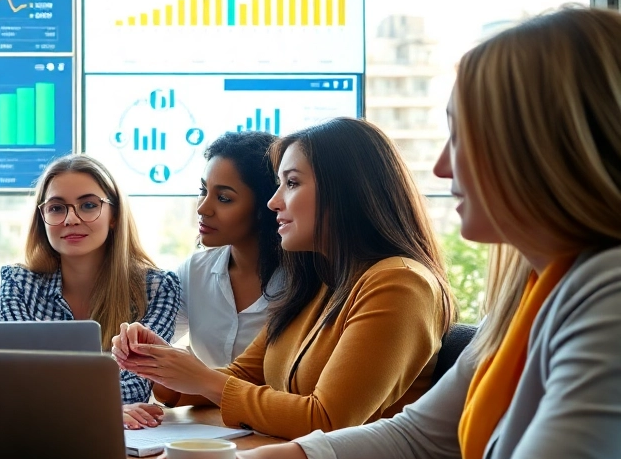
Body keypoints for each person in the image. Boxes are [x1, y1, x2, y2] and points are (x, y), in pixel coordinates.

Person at [145, 7, 621, 459]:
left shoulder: (610, 294)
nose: (444, 166)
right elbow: (418, 438)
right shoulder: (535, 289)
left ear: (545, 148)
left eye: (465, 136)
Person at [115, 118, 453, 440]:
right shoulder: (321, 281)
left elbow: (326, 419)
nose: (274, 202)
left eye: (290, 183)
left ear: (345, 191)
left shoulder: (400, 283)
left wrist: (202, 378)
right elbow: (243, 376)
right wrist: (159, 363)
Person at [0, 154, 182, 430]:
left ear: (114, 216)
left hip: (122, 437)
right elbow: (16, 380)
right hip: (36, 431)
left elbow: (137, 382)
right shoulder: (17, 284)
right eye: (57, 208)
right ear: (43, 217)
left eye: (88, 205)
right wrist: (98, 408)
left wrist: (63, 397)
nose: (71, 219)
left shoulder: (157, 288)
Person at [172, 131, 283, 368]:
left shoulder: (304, 282)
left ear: (267, 205)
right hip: (203, 406)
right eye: (203, 191)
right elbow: (154, 341)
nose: (203, 208)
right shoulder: (193, 271)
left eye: (223, 198)